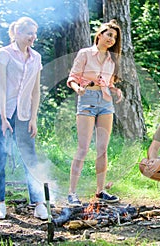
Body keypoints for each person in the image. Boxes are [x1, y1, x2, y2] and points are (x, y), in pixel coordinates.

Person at [0, 17, 47, 219]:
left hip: (23, 114)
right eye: (29, 33)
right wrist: (4, 118)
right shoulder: (3, 54)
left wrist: (33, 118)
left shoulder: (36, 57)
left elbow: (36, 91)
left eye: (34, 33)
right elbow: (1, 87)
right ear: (18, 33)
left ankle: (38, 203)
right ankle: (1, 204)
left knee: (30, 158)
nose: (33, 37)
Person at [66, 19, 123, 206]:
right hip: (87, 100)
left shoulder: (111, 59)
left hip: (106, 103)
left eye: (114, 37)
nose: (111, 39)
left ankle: (100, 191)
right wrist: (78, 89)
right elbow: (73, 78)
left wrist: (115, 89)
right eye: (109, 35)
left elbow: (108, 81)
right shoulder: (84, 54)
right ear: (99, 35)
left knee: (102, 149)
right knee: (83, 148)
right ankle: (72, 193)